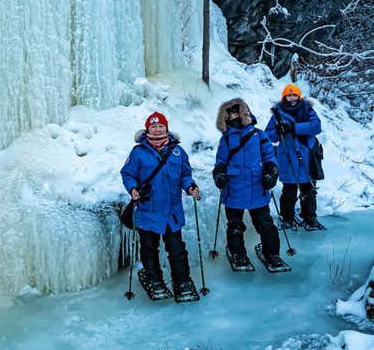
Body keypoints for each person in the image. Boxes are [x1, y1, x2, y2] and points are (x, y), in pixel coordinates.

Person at [120, 111, 202, 302]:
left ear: (166, 128)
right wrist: (132, 188)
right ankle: (154, 279)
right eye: (153, 127)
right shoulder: (138, 152)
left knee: (176, 249)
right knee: (149, 248)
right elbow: (128, 174)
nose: (157, 130)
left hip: (172, 212)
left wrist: (190, 187)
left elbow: (185, 175)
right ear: (147, 130)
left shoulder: (177, 152)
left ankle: (182, 281)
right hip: (147, 210)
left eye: (161, 127)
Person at [211, 98, 286, 272]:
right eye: (229, 113)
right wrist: (219, 173)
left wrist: (271, 170)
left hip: (257, 186)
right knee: (235, 225)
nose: (234, 115)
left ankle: (272, 254)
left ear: (245, 112)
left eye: (237, 111)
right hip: (234, 188)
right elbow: (221, 160)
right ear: (225, 117)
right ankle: (238, 254)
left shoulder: (259, 134)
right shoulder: (226, 139)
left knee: (265, 224)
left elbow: (269, 155)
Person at [265, 84, 323, 231]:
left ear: (299, 96)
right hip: (287, 156)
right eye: (289, 96)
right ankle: (287, 219)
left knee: (308, 190)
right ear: (284, 97)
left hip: (306, 156)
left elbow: (316, 126)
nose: (292, 98)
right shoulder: (278, 114)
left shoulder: (308, 110)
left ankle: (309, 218)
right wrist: (278, 132)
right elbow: (268, 135)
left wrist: (294, 128)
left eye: (294, 95)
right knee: (289, 191)